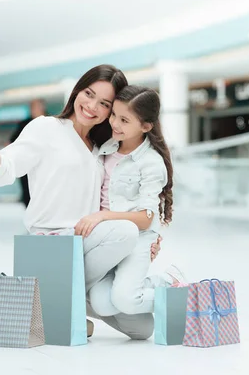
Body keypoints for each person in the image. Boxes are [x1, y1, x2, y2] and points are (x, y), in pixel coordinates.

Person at [0, 64, 160, 340]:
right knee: (124, 232)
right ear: (77, 90)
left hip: (89, 245)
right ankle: (67, 306)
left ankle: (67, 306)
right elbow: (4, 172)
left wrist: (149, 237)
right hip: (52, 243)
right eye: (88, 94)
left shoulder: (104, 146)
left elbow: (125, 197)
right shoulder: (46, 128)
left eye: (104, 104)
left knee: (143, 329)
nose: (91, 106)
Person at [74, 85, 185, 318]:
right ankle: (147, 285)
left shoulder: (151, 163)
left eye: (124, 120)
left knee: (126, 301)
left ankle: (176, 289)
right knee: (103, 305)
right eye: (114, 114)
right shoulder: (106, 148)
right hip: (108, 237)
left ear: (145, 126)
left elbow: (147, 218)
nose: (114, 123)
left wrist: (103, 215)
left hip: (138, 239)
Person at [9, 99, 47, 207]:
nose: (34, 110)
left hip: (45, 162)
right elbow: (13, 142)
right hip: (27, 162)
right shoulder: (24, 124)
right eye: (32, 107)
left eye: (37, 107)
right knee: (27, 189)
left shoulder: (51, 121)